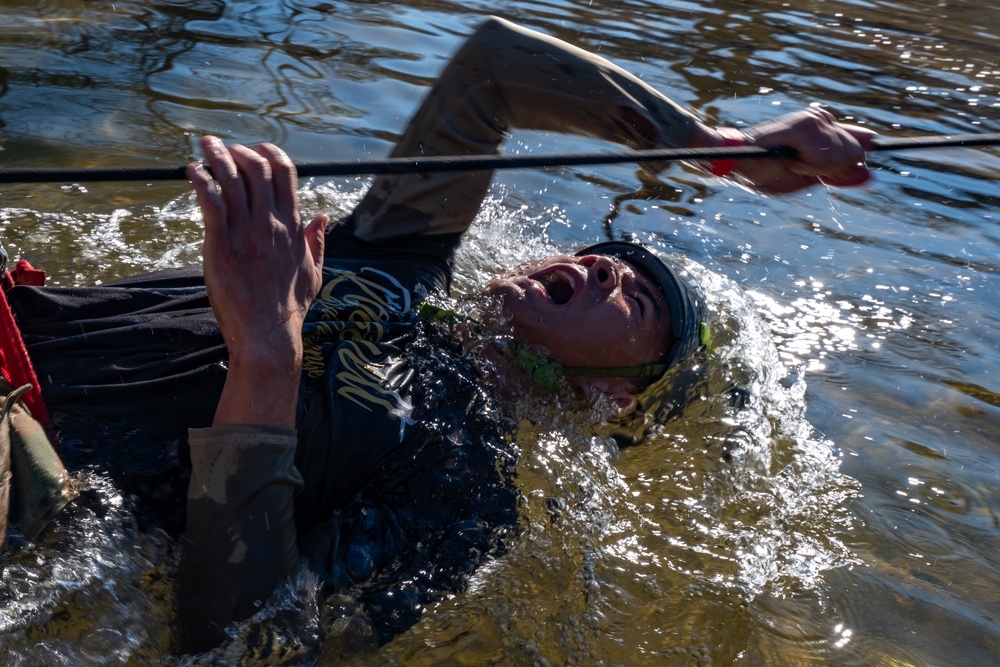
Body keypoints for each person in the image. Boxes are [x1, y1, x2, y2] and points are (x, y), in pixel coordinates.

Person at [0, 17, 874, 653]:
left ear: (610, 394)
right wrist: (713, 148)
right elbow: (494, 67)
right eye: (607, 257)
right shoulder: (402, 255)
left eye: (636, 301)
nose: (608, 269)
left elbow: (246, 640)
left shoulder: (464, 500)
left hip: (24, 463)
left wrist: (268, 351)